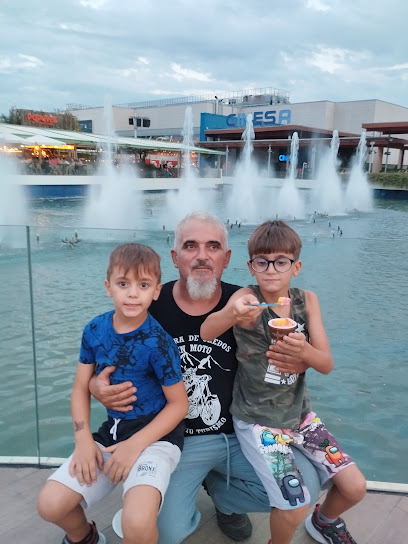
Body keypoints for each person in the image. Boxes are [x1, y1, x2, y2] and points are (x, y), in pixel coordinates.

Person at [89, 212, 321, 544]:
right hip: (175, 440)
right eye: (190, 246)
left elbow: (287, 355)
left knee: (305, 488)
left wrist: (299, 362)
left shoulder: (248, 301)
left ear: (226, 258)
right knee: (167, 533)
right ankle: (183, 493)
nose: (201, 255)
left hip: (242, 433)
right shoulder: (149, 305)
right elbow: (102, 366)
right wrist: (97, 385)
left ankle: (224, 497)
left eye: (213, 246)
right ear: (175, 257)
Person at [200, 220, 366, 544]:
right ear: (251, 266)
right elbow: (207, 331)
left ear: (296, 266)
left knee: (355, 486)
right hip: (258, 421)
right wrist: (232, 314)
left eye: (281, 261)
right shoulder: (245, 299)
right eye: (262, 262)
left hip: (300, 416)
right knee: (292, 507)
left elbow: (327, 364)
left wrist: (304, 350)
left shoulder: (308, 301)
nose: (271, 270)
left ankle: (325, 521)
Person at [37, 243, 189, 544]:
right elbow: (81, 388)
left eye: (143, 285)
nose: (133, 293)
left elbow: (178, 405)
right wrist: (82, 440)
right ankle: (85, 536)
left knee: (136, 522)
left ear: (156, 291)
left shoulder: (159, 343)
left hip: (156, 440)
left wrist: (135, 446)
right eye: (123, 284)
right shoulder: (95, 330)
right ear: (109, 287)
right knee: (49, 504)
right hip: (113, 434)